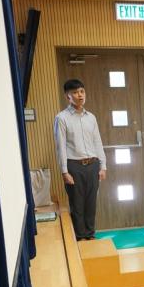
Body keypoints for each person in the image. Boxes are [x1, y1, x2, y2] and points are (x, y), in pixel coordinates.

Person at [54, 79, 107, 240]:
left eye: (82, 91)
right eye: (75, 92)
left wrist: (103, 166)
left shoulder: (91, 117)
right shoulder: (61, 118)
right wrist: (64, 172)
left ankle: (90, 235)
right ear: (68, 96)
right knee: (77, 204)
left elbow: (97, 142)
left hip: (93, 164)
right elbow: (61, 146)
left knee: (91, 203)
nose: (80, 95)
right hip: (74, 166)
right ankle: (80, 237)